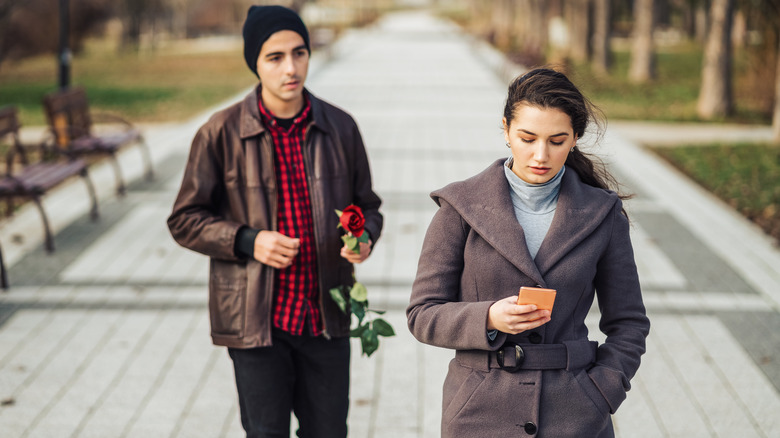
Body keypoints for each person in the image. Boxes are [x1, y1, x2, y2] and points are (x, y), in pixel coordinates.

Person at [167, 5, 382, 437]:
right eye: (275, 57)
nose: (291, 67)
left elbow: (368, 206)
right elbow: (184, 219)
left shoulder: (340, 128)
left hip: (326, 314)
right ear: (255, 62)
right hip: (256, 321)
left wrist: (362, 238)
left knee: (329, 432)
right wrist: (248, 240)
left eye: (299, 53)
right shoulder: (221, 132)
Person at [406, 68, 650, 437]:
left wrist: (603, 391)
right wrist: (487, 317)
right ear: (505, 130)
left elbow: (629, 323)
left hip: (576, 412)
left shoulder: (603, 213)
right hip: (478, 411)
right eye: (527, 137)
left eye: (557, 140)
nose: (541, 154)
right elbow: (422, 314)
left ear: (575, 138)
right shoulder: (460, 207)